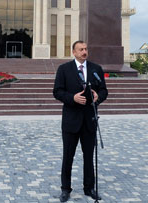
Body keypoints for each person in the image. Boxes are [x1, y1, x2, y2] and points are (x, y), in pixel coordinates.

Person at [53, 41, 108, 202]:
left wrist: (98, 97)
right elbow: (57, 92)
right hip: (71, 121)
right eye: (81, 49)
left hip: (89, 120)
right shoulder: (64, 69)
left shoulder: (95, 69)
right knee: (68, 156)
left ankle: (89, 188)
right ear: (74, 52)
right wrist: (72, 98)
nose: (84, 52)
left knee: (89, 156)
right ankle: (65, 189)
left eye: (86, 49)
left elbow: (104, 90)